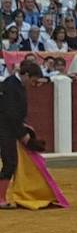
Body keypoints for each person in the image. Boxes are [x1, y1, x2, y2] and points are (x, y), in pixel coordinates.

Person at [0, 62, 42, 209]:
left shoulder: (16, 84)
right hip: (5, 129)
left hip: (8, 128)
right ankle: (0, 199)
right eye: (33, 80)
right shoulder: (12, 86)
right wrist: (22, 134)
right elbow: (10, 114)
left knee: (10, 161)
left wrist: (23, 127)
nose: (33, 84)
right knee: (10, 162)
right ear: (25, 75)